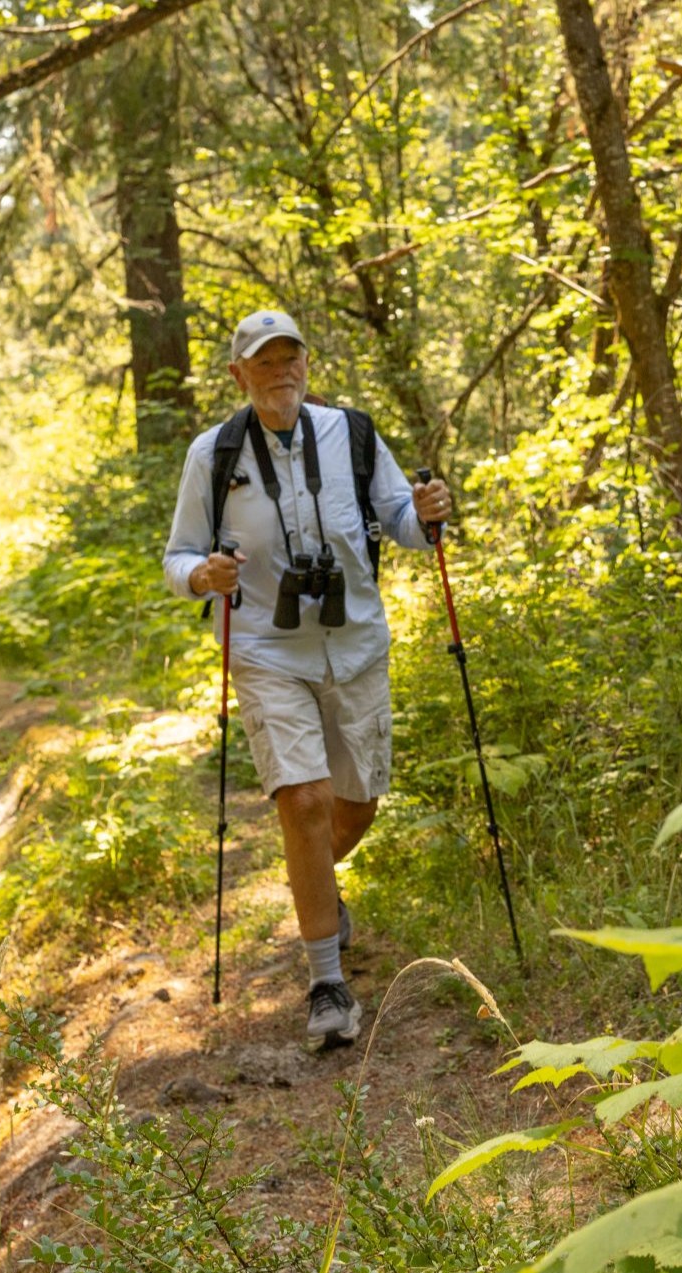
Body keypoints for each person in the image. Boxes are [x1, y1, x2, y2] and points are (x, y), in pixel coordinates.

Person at [162, 309, 452, 1050]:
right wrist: (203, 573)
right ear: (239, 375)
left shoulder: (351, 435)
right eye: (264, 362)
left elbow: (401, 522)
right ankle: (327, 981)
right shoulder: (215, 453)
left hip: (355, 643)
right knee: (305, 800)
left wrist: (425, 514)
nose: (281, 373)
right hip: (265, 646)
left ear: (307, 365)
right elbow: (178, 556)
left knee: (354, 810)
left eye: (291, 359)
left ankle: (313, 887)